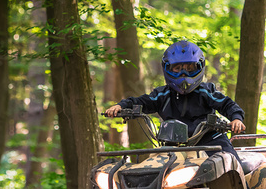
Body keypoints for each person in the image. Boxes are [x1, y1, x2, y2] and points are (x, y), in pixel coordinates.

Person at [104, 39, 246, 157]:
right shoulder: (162, 94)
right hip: (173, 145)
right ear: (167, 69)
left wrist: (236, 119)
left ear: (199, 67)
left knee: (229, 162)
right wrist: (121, 106)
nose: (183, 74)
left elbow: (227, 104)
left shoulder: (206, 91)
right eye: (177, 69)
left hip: (211, 141)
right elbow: (141, 102)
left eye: (189, 68)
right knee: (152, 170)